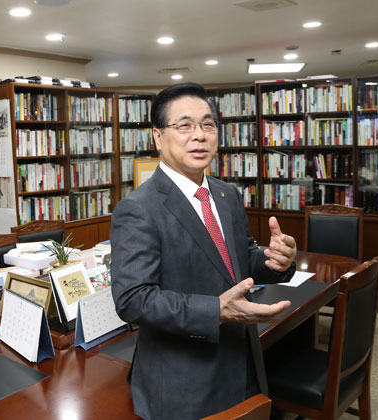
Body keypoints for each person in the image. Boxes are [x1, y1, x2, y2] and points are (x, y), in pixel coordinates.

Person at [111, 82, 297, 420]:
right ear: (158, 137)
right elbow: (133, 299)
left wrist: (276, 261)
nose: (199, 135)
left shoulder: (226, 195)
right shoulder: (139, 208)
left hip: (243, 360)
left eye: (207, 125)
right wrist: (216, 311)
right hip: (185, 380)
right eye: (184, 125)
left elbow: (241, 260)